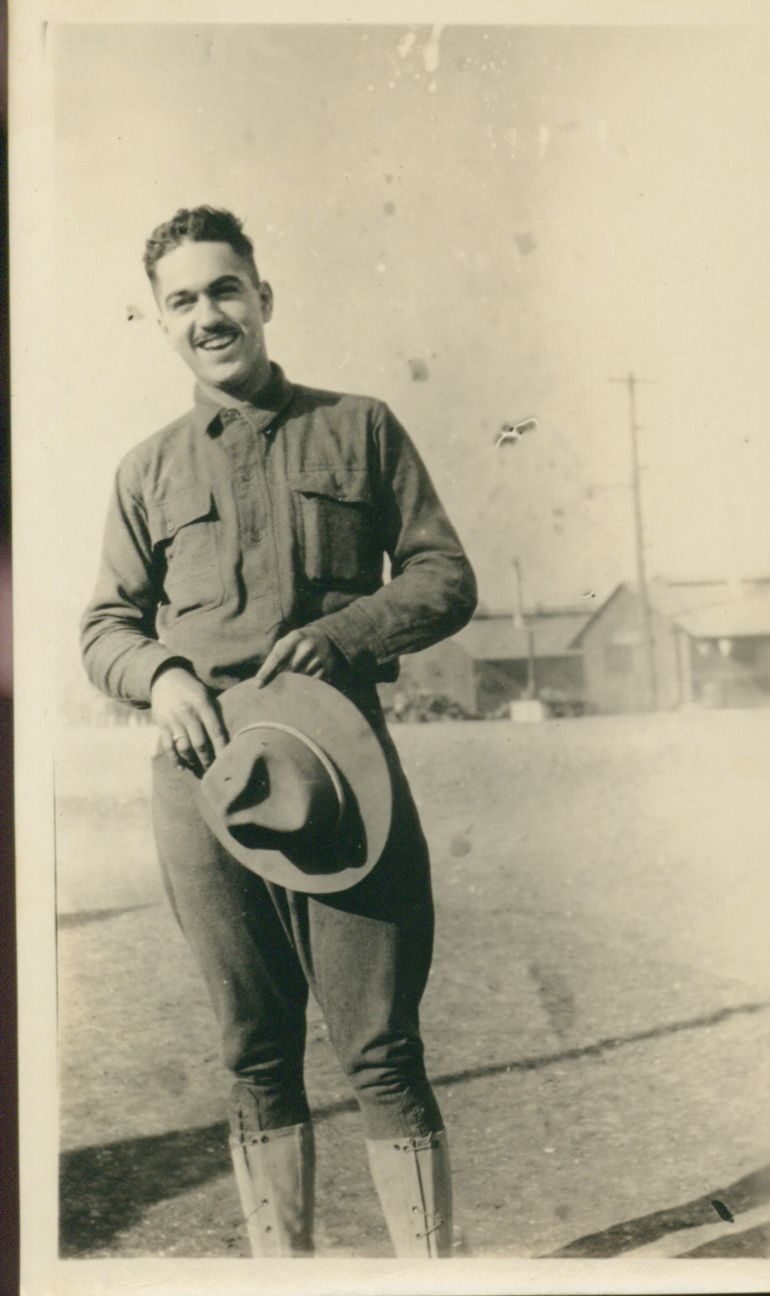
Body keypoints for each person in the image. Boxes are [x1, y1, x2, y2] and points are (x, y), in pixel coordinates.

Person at [80, 206, 477, 1258]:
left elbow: (444, 575)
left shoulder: (362, 427)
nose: (207, 314)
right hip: (203, 786)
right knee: (253, 1053)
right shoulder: (145, 471)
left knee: (382, 1049)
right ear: (160, 323)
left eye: (224, 290)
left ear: (263, 297)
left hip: (342, 778)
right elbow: (104, 626)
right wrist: (158, 675)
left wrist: (346, 632)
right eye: (182, 301)